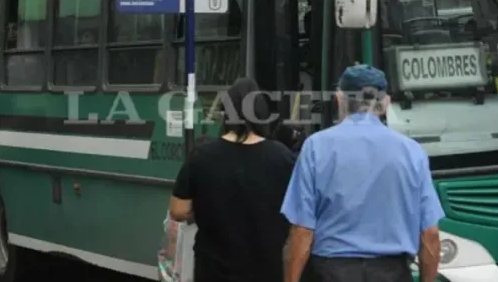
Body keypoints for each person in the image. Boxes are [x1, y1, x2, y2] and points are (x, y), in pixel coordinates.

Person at [281, 64, 445, 282]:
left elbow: (302, 231)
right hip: (392, 273)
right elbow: (430, 234)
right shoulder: (412, 152)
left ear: (339, 99)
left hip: (331, 274)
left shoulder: (316, 147)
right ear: (386, 103)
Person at [169, 77, 295, 282]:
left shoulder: (201, 156)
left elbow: (178, 210)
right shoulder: (283, 157)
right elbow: (297, 216)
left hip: (213, 271)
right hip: (265, 271)